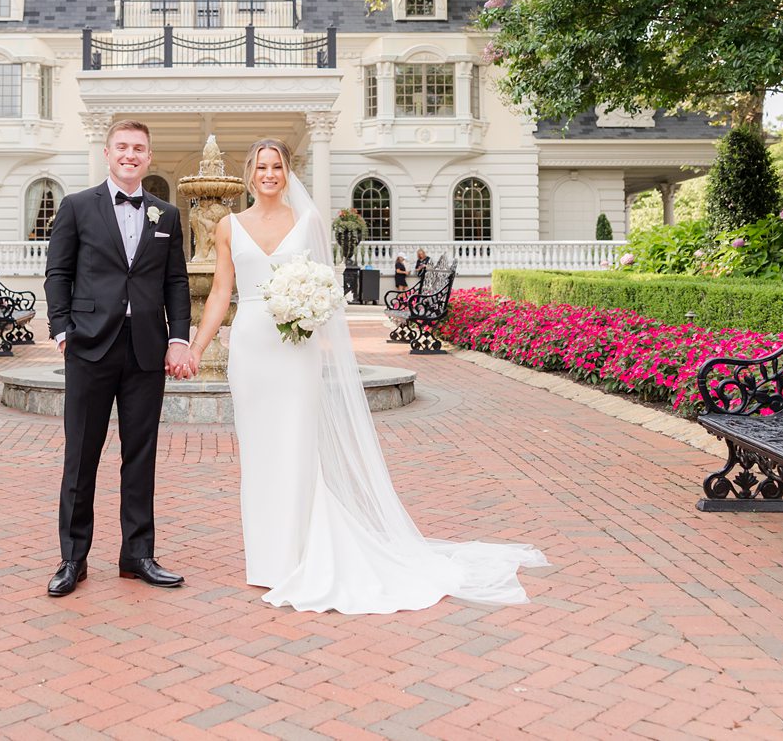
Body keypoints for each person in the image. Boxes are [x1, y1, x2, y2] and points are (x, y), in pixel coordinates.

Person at [188, 138, 547, 614]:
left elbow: (324, 284)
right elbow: (219, 294)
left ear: (286, 171)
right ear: (249, 173)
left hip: (297, 348)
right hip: (252, 346)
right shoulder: (230, 227)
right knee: (258, 450)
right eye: (261, 167)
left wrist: (313, 313)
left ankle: (301, 554)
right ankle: (268, 560)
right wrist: (195, 347)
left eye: (277, 167)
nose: (269, 174)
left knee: (298, 446)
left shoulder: (308, 221)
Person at [43, 120, 195, 598]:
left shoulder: (166, 215)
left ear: (149, 158)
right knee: (81, 454)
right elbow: (57, 272)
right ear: (108, 154)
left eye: (140, 149)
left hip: (147, 347)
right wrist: (62, 329)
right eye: (123, 147)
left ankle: (138, 555)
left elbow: (176, 282)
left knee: (141, 455)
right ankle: (73, 559)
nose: (131, 155)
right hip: (89, 344)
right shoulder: (76, 207)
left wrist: (179, 339)